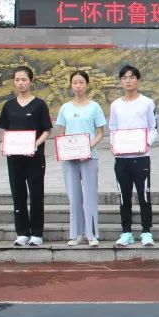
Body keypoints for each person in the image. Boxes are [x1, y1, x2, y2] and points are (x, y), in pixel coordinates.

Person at [0, 66, 51, 246]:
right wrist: (4, 143)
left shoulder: (39, 104)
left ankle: (36, 233)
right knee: (17, 194)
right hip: (14, 157)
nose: (20, 83)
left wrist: (35, 144)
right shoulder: (9, 105)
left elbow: (47, 131)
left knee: (36, 194)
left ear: (31, 81)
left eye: (24, 80)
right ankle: (22, 232)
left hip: (34, 157)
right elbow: (5, 129)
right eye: (17, 80)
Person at [54, 70, 106, 246]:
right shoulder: (65, 108)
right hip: (70, 158)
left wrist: (88, 146)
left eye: (81, 82)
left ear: (87, 85)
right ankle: (77, 234)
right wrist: (63, 150)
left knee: (90, 195)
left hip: (89, 157)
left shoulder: (94, 107)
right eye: (75, 83)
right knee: (74, 196)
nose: (78, 86)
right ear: (71, 85)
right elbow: (61, 133)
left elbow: (100, 133)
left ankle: (91, 234)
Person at [108, 64, 158, 248]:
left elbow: (153, 128)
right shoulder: (116, 105)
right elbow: (113, 129)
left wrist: (146, 144)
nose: (128, 81)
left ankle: (146, 232)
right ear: (121, 81)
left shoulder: (147, 102)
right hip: (122, 159)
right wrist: (114, 144)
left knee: (144, 195)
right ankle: (126, 232)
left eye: (131, 77)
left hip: (141, 157)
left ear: (138, 80)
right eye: (124, 78)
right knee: (124, 197)